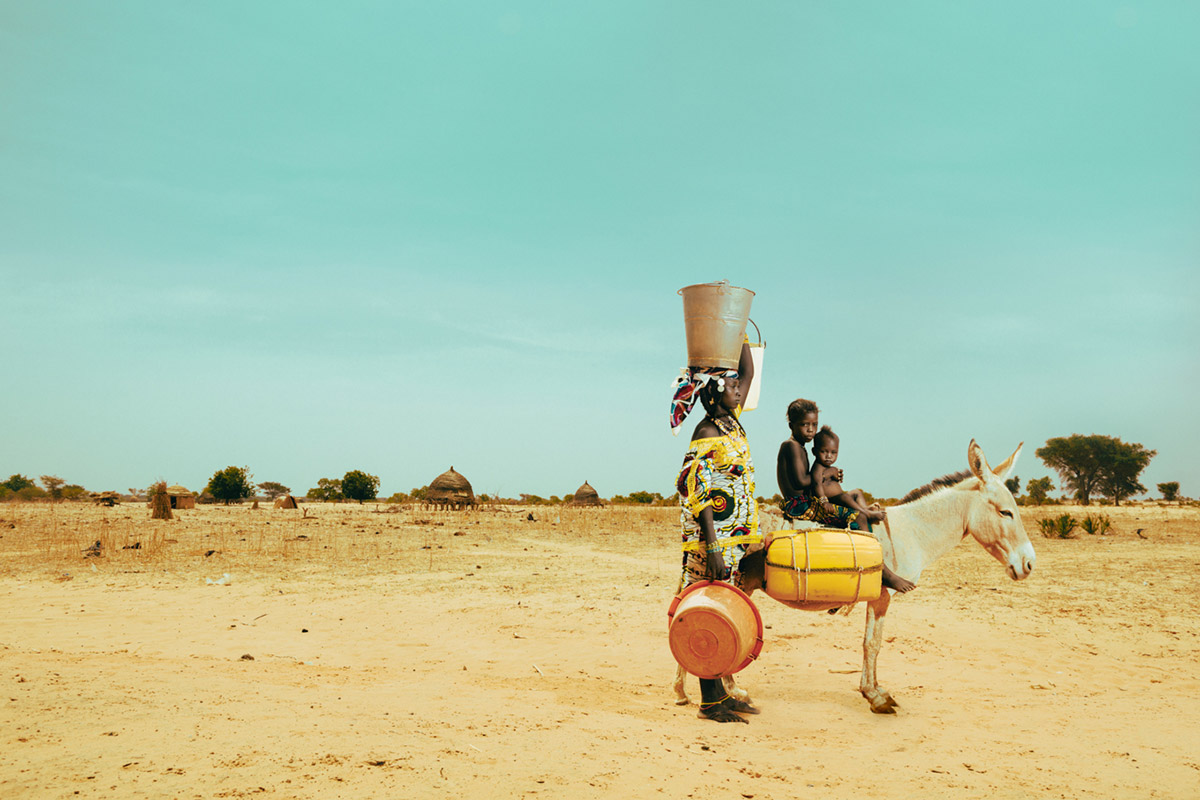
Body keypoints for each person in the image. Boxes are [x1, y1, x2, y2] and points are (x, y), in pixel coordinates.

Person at [670, 340, 762, 723]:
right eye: (731, 385)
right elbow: (697, 489)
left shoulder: (731, 422)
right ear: (712, 393)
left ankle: (721, 692)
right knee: (707, 613)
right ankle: (709, 702)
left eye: (738, 385)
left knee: (724, 612)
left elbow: (750, 373)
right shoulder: (707, 430)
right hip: (713, 541)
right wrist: (712, 547)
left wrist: (738, 331)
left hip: (733, 540)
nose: (739, 389)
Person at [776, 399, 915, 593]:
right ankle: (882, 571)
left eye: (814, 424)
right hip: (799, 506)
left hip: (806, 500)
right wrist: (829, 473)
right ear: (791, 425)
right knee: (858, 517)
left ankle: (866, 528)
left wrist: (829, 477)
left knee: (853, 496)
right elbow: (801, 481)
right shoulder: (791, 446)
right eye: (805, 424)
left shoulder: (799, 447)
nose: (810, 430)